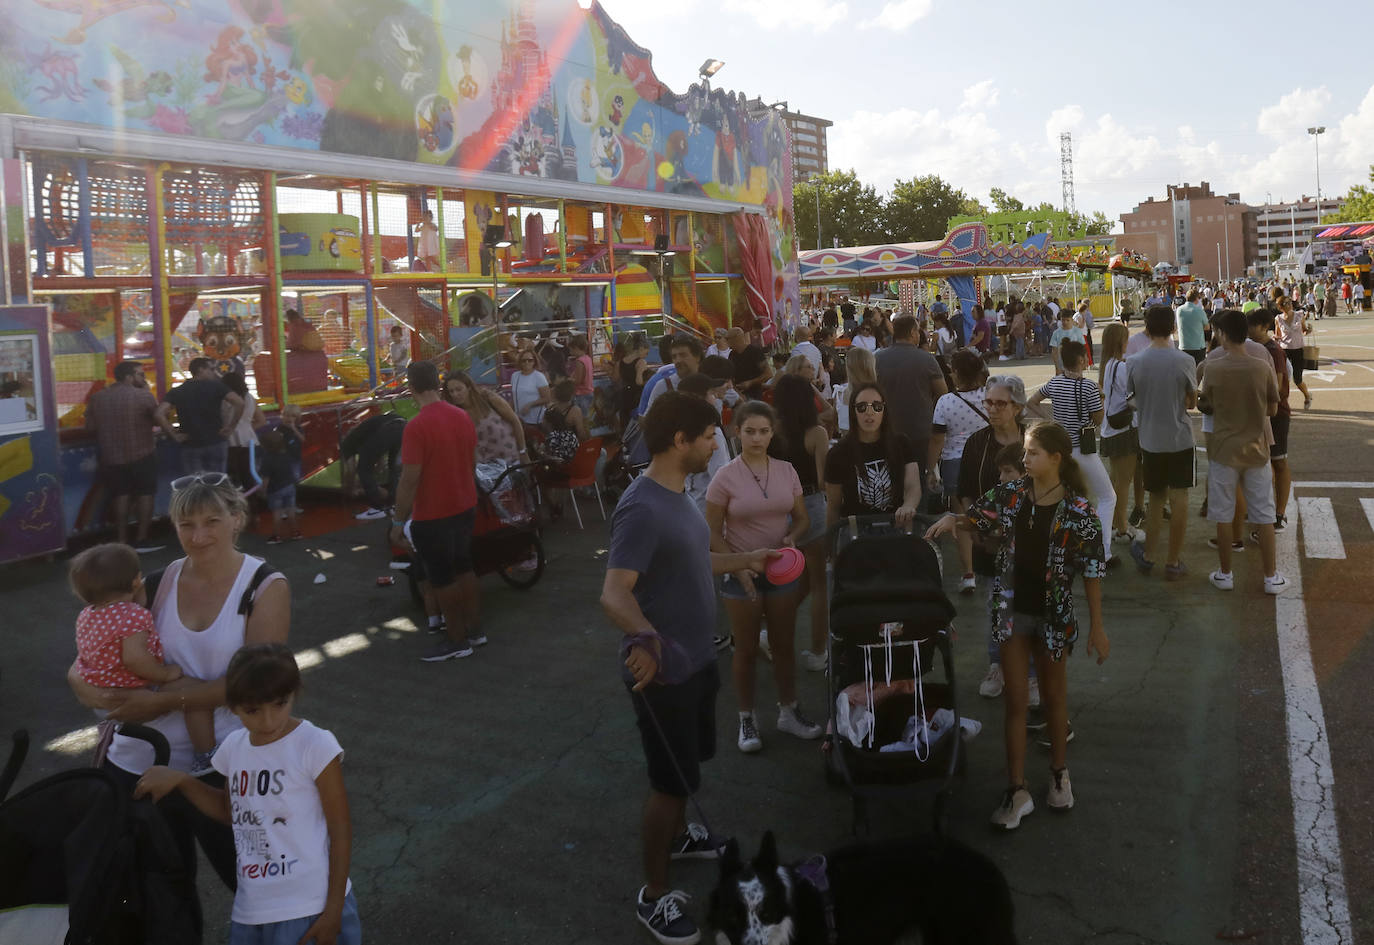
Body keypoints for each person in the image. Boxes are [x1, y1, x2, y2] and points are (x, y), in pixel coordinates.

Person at [66, 475, 290, 936]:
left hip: (226, 764)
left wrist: (164, 701)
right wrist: (90, 693)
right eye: (186, 524)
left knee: (259, 887)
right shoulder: (155, 581)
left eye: (212, 521)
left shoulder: (264, 586)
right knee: (157, 896)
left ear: (237, 519)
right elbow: (89, 658)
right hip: (140, 761)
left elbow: (259, 687)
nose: (199, 535)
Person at [600, 391, 778, 945]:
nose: (714, 444)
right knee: (668, 786)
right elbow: (613, 592)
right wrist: (647, 639)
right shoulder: (642, 506)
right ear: (679, 440)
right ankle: (652, 897)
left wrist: (744, 559)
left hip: (697, 660)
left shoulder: (678, 496)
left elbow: (692, 559)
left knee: (687, 771)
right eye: (707, 437)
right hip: (666, 674)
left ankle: (681, 840)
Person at [926, 421, 1108, 830]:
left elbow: (1093, 570)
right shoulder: (1008, 496)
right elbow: (976, 517)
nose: (1024, 460)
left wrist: (1098, 626)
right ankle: (1017, 788)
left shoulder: (1081, 513)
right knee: (1015, 702)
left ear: (1056, 459)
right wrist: (953, 520)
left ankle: (1059, 774)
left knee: (1055, 700)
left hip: (1054, 617)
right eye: (1025, 453)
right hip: (1011, 615)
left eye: (1032, 453)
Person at [134, 643, 360, 945]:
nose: (268, 721)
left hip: (311, 907)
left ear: (294, 692)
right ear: (232, 706)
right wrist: (181, 781)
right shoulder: (233, 748)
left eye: (280, 703)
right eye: (253, 710)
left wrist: (332, 911)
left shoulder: (314, 745)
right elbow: (229, 811)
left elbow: (341, 830)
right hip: (251, 910)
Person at [705, 400, 822, 754]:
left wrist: (792, 537)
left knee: (784, 644)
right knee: (746, 649)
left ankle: (788, 711)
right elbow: (710, 531)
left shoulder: (787, 470)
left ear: (773, 433)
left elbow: (800, 518)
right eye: (750, 431)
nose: (757, 438)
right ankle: (747, 718)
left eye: (764, 431)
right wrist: (737, 564)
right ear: (736, 432)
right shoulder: (725, 476)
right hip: (739, 575)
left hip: (781, 571)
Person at [70, 542, 217, 774]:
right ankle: (206, 756)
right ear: (136, 582)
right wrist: (165, 673)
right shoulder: (133, 615)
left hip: (100, 693)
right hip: (132, 689)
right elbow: (135, 659)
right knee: (195, 696)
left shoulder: (87, 615)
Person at [390, 361, 483, 662]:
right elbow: (471, 461)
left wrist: (397, 520)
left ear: (411, 387)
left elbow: (409, 479)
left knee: (442, 578)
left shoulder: (416, 427)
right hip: (465, 504)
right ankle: (474, 630)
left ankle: (457, 640)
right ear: (438, 383)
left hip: (433, 514)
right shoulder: (461, 416)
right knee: (464, 566)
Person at [1198, 309, 1285, 594]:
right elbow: (1273, 407)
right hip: (1257, 449)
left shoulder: (1213, 368)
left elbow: (1206, 402)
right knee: (1264, 515)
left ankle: (1225, 574)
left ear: (1223, 334)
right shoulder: (1261, 366)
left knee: (1222, 514)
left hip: (1224, 450)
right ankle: (1271, 577)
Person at [1126, 305, 1198, 580]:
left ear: (1147, 326)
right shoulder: (1184, 361)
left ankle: (1148, 555)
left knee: (1155, 499)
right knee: (1180, 498)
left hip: (1150, 439)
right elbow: (1191, 403)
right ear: (1172, 327)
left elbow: (1130, 399)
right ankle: (1173, 561)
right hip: (1179, 438)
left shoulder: (1134, 361)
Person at [1028, 340, 1115, 564]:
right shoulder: (1088, 386)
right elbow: (1098, 418)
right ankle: (1103, 550)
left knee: (1066, 499)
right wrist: (1101, 396)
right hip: (1082, 450)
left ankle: (1060, 546)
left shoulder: (1055, 382)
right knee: (1107, 497)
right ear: (1080, 360)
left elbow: (1033, 401)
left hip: (1060, 451)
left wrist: (1052, 421)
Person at [771, 373, 830, 673]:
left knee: (796, 581)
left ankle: (769, 631)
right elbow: (823, 482)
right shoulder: (816, 433)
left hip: (779, 507)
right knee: (819, 583)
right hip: (811, 504)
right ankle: (819, 650)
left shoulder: (772, 431)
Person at [929, 349, 990, 592]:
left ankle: (969, 573)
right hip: (987, 459)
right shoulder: (989, 396)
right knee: (991, 512)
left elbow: (937, 440)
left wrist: (929, 469)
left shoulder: (946, 402)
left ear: (955, 374)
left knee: (962, 519)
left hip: (955, 462)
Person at [86, 359, 163, 550]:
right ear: (129, 377)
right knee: (145, 494)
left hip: (111, 457)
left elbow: (90, 427)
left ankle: (121, 540)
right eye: (140, 374)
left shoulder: (98, 398)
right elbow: (159, 419)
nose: (143, 378)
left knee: (120, 496)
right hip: (142, 453)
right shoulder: (143, 396)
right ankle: (142, 539)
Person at [824, 382, 921, 529]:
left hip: (897, 529)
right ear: (853, 412)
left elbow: (913, 486)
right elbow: (834, 507)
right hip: (857, 534)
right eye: (862, 407)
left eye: (877, 406)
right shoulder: (837, 454)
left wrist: (908, 506)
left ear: (884, 410)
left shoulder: (901, 443)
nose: (869, 412)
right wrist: (830, 546)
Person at [876, 315, 948, 481]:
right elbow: (943, 394)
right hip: (921, 430)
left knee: (891, 479)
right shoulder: (927, 359)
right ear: (912, 333)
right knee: (920, 479)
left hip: (887, 430)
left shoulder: (878, 359)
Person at [156, 357, 245, 474]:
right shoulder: (217, 387)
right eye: (211, 369)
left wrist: (173, 435)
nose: (214, 372)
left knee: (195, 486)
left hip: (191, 444)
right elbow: (239, 402)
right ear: (200, 370)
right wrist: (231, 427)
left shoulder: (178, 391)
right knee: (217, 483)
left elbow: (159, 414)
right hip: (216, 441)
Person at [1096, 323, 1142, 544]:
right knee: (1123, 482)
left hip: (1110, 429)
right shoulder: (1122, 367)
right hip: (1124, 430)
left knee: (1116, 481)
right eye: (1126, 338)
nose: (1128, 342)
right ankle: (1123, 528)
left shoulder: (1107, 365)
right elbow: (1133, 397)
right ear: (1120, 342)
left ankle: (1116, 523)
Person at [1248, 308, 1292, 533]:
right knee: (1262, 465)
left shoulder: (1273, 351)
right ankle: (1262, 511)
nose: (1248, 330)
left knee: (1278, 462)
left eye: (1252, 325)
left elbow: (1277, 386)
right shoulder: (1252, 348)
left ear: (1264, 326)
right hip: (1259, 414)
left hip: (1276, 414)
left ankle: (1280, 513)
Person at [340, 411, 408, 521]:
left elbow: (351, 470)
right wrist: (369, 481)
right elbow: (380, 464)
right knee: (393, 467)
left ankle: (377, 508)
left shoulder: (347, 444)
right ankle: (393, 505)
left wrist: (351, 487)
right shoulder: (366, 434)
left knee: (363, 469)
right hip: (403, 425)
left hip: (387, 429)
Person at [221, 372, 265, 495]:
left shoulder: (224, 399)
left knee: (231, 478)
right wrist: (247, 429)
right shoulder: (250, 398)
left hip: (229, 441)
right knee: (249, 476)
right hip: (249, 441)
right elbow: (261, 421)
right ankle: (253, 506)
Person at [640, 333, 705, 415]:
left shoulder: (709, 384)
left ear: (697, 356)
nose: (678, 360)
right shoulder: (663, 385)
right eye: (674, 357)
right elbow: (646, 419)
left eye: (683, 355)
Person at [258, 426, 302, 544]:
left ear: (265, 446)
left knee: (277, 513)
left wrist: (263, 491)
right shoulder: (286, 455)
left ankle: (277, 536)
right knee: (291, 512)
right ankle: (296, 532)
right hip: (290, 487)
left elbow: (265, 479)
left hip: (275, 490)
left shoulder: (267, 460)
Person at [1274, 295, 1313, 410]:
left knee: (1297, 379)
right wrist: (1275, 338)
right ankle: (1282, 403)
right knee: (1283, 378)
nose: (1289, 304)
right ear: (1280, 307)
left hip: (1298, 349)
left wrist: (1308, 330)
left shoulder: (1299, 315)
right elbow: (1278, 335)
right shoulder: (1278, 319)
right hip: (1284, 350)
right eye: (1286, 303)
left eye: (1290, 302)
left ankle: (1307, 396)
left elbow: (1304, 330)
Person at [726, 327, 771, 399]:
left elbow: (768, 374)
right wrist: (738, 394)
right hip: (739, 396)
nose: (727, 342)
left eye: (728, 339)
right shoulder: (732, 355)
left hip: (754, 395)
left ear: (737, 338)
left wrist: (750, 383)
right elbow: (730, 378)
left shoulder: (755, 352)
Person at [511, 348, 552, 425]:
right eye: (524, 360)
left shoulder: (539, 377)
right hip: (519, 419)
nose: (527, 362)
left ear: (534, 361)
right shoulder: (515, 376)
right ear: (520, 362)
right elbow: (514, 396)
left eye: (530, 360)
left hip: (535, 420)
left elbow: (547, 398)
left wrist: (530, 405)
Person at [568, 334, 596, 415]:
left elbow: (578, 381)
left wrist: (569, 380)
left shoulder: (579, 361)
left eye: (571, 350)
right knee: (587, 417)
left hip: (581, 394)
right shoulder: (588, 358)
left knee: (581, 417)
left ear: (576, 348)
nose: (570, 352)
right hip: (589, 391)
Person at [1177, 290, 1208, 364]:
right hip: (1198, 346)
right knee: (1198, 370)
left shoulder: (1179, 310)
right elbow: (1207, 327)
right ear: (1197, 298)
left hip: (1184, 346)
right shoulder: (1199, 311)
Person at [1049, 310, 1083, 375]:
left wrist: (1082, 364)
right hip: (1062, 366)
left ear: (1072, 320)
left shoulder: (1077, 332)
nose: (1065, 322)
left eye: (1067, 320)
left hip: (1075, 365)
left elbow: (1081, 349)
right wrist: (1057, 367)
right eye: (1063, 320)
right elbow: (1054, 351)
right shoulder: (1056, 333)